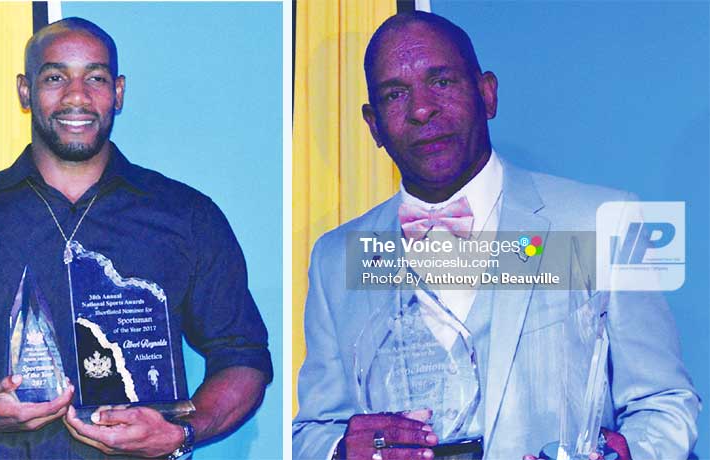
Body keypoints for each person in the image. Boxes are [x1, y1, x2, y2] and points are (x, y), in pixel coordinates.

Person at [292, 11, 699, 460]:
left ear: (487, 94)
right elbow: (315, 430)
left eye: (441, 82)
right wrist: (339, 450)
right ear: (373, 125)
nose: (421, 108)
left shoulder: (605, 221)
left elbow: (664, 405)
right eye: (395, 94)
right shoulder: (336, 259)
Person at [0, 17, 272, 459]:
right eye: (54, 77)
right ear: (25, 91)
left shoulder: (188, 217)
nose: (77, 96)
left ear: (118, 92)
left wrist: (182, 433)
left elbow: (243, 357)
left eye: (96, 77)